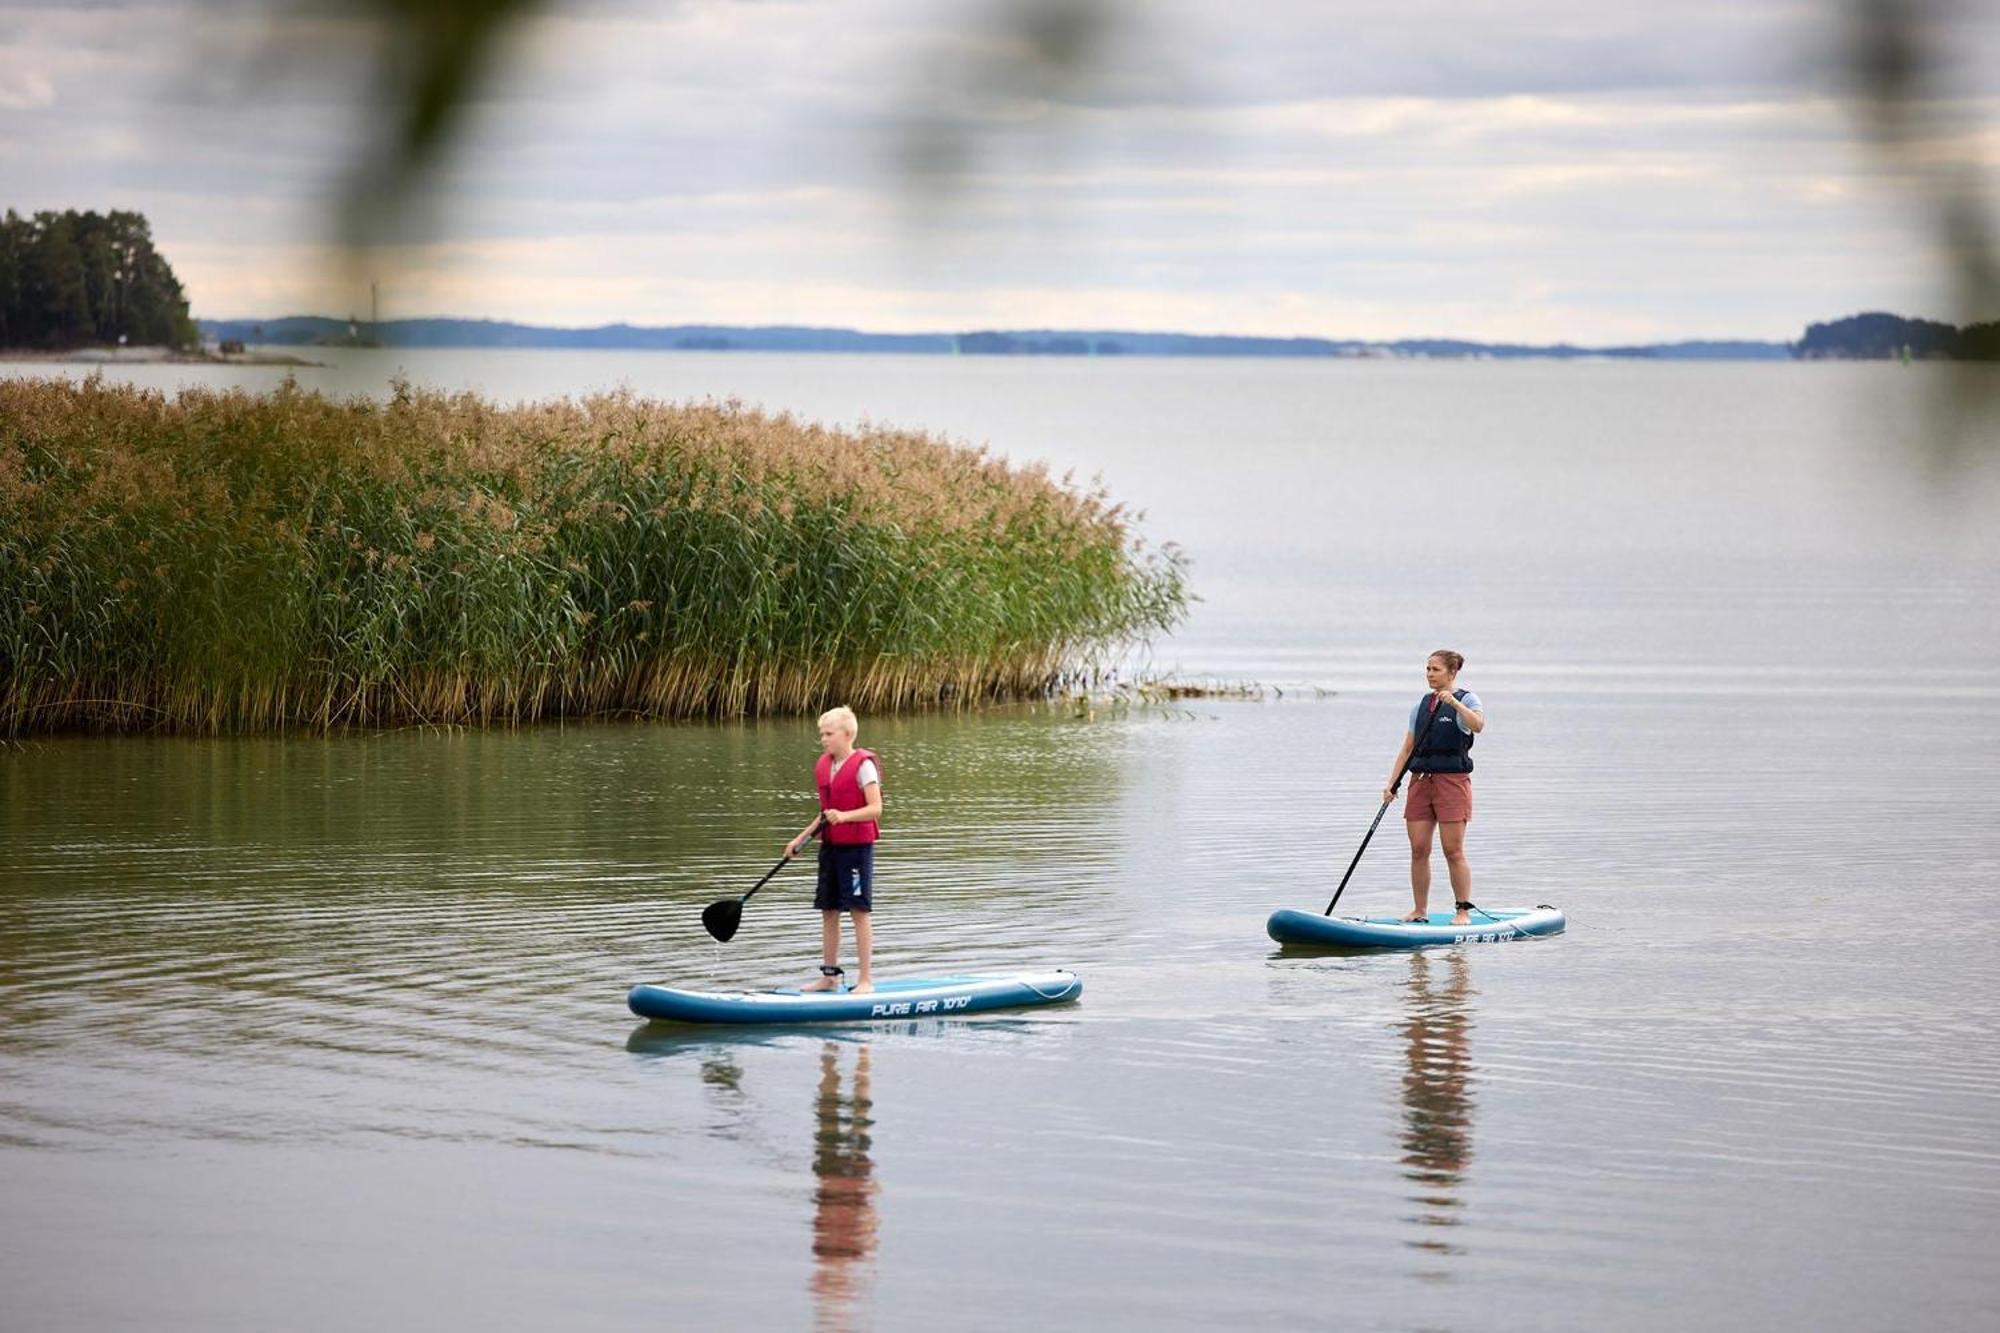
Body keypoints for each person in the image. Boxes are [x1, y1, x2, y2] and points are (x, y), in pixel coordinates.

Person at [1382, 650, 1485, 925]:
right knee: (1418, 849)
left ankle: (1463, 911)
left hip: (1452, 783)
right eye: (1427, 669)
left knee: (1453, 850)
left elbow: (1478, 725)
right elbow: (1407, 748)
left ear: (1451, 673)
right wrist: (1392, 783)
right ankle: (1419, 910)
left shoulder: (1467, 699)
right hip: (1420, 781)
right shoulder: (1421, 705)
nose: (1429, 674)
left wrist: (1455, 705)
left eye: (1435, 669)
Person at [786, 706, 882, 993]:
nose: (824, 739)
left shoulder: (863, 765)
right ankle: (830, 977)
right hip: (830, 848)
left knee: (858, 911)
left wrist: (846, 816)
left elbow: (876, 808)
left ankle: (865, 980)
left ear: (847, 734)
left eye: (829, 734)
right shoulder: (825, 765)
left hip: (856, 850)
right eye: (822, 734)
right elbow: (825, 814)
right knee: (828, 910)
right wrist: (799, 840)